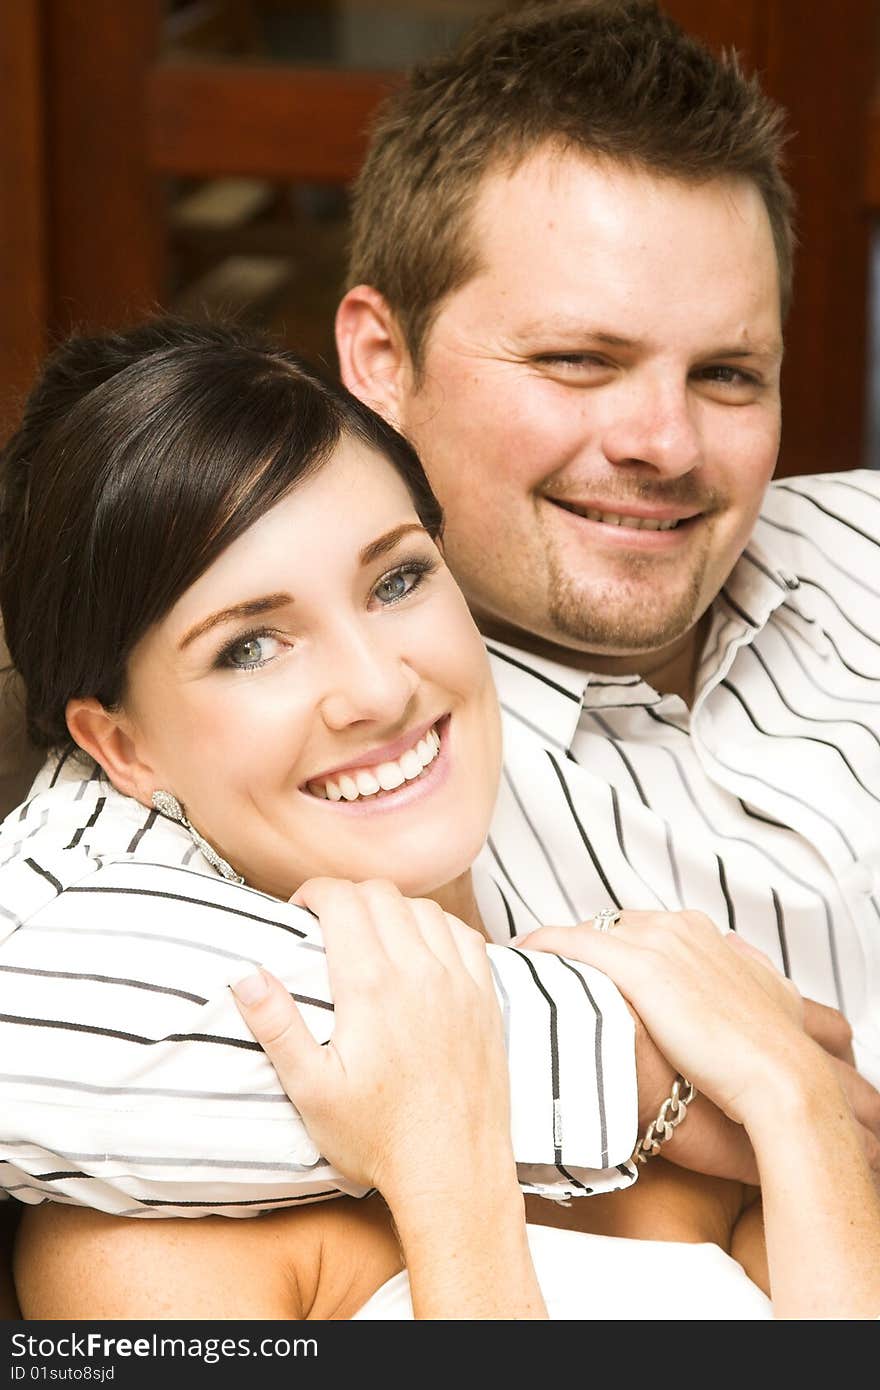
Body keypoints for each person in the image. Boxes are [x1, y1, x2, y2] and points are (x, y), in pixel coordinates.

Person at [1, 0, 879, 1290]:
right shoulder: (279, 795)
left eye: (730, 374)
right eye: (579, 360)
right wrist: (679, 1068)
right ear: (379, 356)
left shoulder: (854, 547)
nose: (667, 443)